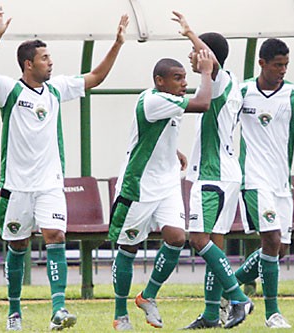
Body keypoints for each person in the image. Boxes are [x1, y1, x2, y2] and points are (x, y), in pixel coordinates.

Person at [0, 8, 128, 331]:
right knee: (17, 246)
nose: (51, 62)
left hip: (50, 184)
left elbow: (96, 77)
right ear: (28, 64)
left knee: (56, 236)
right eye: (45, 58)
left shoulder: (58, 89)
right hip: (16, 188)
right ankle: (14, 312)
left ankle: (58, 309)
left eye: (50, 57)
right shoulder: (10, 90)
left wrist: (117, 44)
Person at [109, 51, 215, 331]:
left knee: (177, 237)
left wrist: (174, 151)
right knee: (128, 246)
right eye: (177, 78)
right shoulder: (154, 100)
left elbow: (152, 134)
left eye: (185, 77)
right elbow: (203, 103)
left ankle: (148, 296)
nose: (184, 83)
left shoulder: (167, 100)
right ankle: (121, 315)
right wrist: (206, 71)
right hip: (139, 186)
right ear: (159, 81)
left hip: (167, 183)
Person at [228, 38, 294, 329]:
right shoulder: (242, 92)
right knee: (270, 239)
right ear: (262, 64)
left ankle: (226, 287)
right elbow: (221, 129)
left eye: (286, 65)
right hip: (253, 179)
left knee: (278, 249)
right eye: (277, 65)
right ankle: (273, 313)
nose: (282, 70)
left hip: (281, 183)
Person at [171, 11, 253, 330]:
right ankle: (210, 315)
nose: (190, 57)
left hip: (214, 176)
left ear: (206, 56)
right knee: (213, 246)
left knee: (199, 239)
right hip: (223, 175)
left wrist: (191, 32)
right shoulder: (227, 83)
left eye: (194, 52)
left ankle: (237, 298)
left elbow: (211, 65)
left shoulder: (218, 80)